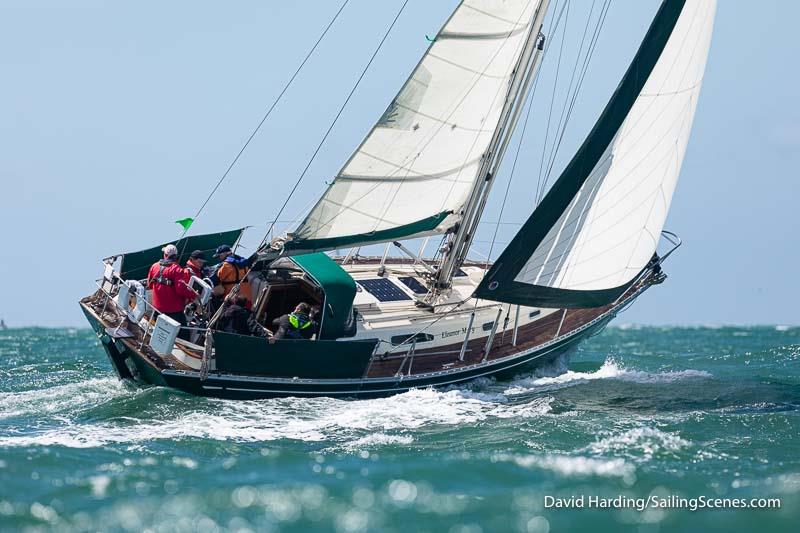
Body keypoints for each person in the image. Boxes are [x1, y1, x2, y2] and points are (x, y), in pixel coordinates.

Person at [147, 244, 198, 339]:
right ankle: (184, 351)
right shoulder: (177, 269)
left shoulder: (154, 266)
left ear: (165, 255)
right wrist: (194, 294)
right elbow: (181, 290)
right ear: (176, 256)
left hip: (158, 309)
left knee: (159, 332)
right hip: (174, 311)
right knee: (184, 336)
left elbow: (149, 284)